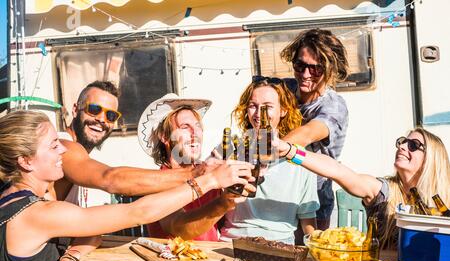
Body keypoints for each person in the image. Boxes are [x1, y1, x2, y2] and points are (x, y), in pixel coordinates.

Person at [0, 110, 254, 261]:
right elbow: (137, 212)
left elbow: (93, 226)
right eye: (53, 145)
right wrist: (208, 180)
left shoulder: (15, 200)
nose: (63, 152)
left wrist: (71, 256)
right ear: (26, 161)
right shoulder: (39, 213)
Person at [47, 81, 212, 261]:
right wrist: (199, 174)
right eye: (94, 109)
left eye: (111, 116)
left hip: (57, 260)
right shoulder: (63, 146)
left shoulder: (82, 159)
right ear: (76, 109)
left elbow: (91, 226)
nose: (101, 120)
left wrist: (71, 256)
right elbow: (111, 179)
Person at [276, 127, 450, 249]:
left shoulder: (444, 201)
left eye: (413, 145)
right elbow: (338, 171)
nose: (402, 146)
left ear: (431, 158)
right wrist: (291, 151)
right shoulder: (384, 190)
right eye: (403, 142)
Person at [139, 94, 255, 241]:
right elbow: (180, 229)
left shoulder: (210, 172)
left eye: (198, 126)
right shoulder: (159, 182)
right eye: (185, 127)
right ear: (164, 136)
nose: (195, 134)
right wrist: (224, 203)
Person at [219, 77, 319, 245]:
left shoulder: (300, 159)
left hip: (279, 246)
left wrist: (318, 248)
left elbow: (307, 219)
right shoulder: (231, 150)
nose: (259, 114)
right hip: (232, 243)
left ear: (283, 111)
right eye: (253, 106)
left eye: (268, 107)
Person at [279, 28, 350, 234]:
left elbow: (307, 134)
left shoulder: (333, 106)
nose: (305, 74)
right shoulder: (285, 89)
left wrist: (264, 154)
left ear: (331, 69)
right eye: (299, 65)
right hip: (280, 193)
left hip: (314, 201)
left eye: (315, 69)